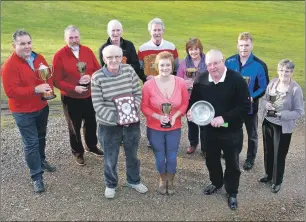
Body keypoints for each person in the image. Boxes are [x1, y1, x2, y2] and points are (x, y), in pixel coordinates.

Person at [187, 49, 250, 210]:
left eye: (216, 63)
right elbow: (194, 102)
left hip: (231, 130)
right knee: (211, 159)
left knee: (232, 163)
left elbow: (245, 106)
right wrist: (190, 113)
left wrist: (224, 118)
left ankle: (232, 191)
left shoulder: (236, 80)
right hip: (209, 131)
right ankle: (216, 182)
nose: (213, 67)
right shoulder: (201, 80)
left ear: (223, 61)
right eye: (209, 64)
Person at [2, 29, 56, 193]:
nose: (27, 46)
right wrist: (36, 89)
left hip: (41, 107)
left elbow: (48, 77)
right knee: (31, 143)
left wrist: (48, 91)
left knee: (41, 137)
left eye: (29, 43)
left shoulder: (38, 57)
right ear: (14, 45)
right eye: (22, 44)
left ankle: (41, 160)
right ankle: (36, 177)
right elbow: (11, 92)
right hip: (23, 112)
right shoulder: (9, 66)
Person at [91, 45, 148, 199]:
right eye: (110, 57)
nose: (114, 60)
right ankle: (110, 184)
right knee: (110, 157)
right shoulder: (97, 77)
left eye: (117, 56)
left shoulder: (129, 70)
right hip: (109, 126)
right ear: (104, 59)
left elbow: (137, 93)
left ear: (121, 57)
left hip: (131, 124)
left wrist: (131, 111)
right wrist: (119, 118)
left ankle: (133, 180)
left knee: (133, 155)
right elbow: (98, 105)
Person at [52, 25, 104, 166]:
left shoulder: (87, 51)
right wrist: (74, 88)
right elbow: (56, 80)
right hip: (71, 98)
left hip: (89, 95)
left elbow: (98, 70)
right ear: (65, 39)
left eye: (76, 37)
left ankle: (91, 146)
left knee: (91, 122)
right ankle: (78, 152)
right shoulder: (59, 55)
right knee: (74, 126)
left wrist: (90, 77)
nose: (74, 40)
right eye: (71, 38)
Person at [141, 51, 189, 195]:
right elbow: (144, 107)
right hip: (154, 127)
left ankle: (171, 180)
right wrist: (157, 116)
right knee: (160, 156)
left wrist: (175, 116)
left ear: (172, 65)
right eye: (162, 65)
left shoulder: (180, 82)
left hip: (175, 126)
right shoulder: (148, 85)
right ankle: (162, 179)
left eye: (168, 65)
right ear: (157, 66)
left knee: (172, 156)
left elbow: (185, 103)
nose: (165, 68)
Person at [259, 59, 304, 193]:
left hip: (282, 127)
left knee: (279, 154)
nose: (284, 73)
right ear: (278, 71)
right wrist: (266, 104)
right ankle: (268, 175)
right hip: (268, 122)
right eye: (282, 70)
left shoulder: (295, 89)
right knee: (268, 150)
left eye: (287, 71)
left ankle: (277, 181)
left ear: (291, 72)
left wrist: (281, 114)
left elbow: (299, 111)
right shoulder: (273, 83)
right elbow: (266, 98)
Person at [225, 32, 269, 170]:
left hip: (250, 106)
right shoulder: (229, 61)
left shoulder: (260, 65)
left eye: (247, 45)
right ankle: (231, 152)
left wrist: (253, 97)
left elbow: (264, 86)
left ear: (252, 45)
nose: (244, 48)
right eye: (241, 45)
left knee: (252, 133)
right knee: (230, 129)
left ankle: (250, 158)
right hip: (232, 106)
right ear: (237, 45)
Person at [138, 17, 179, 148]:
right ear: (150, 31)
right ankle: (152, 138)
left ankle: (167, 134)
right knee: (151, 111)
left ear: (163, 31)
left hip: (167, 85)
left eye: (159, 30)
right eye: (154, 30)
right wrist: (145, 78)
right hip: (151, 86)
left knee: (167, 109)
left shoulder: (170, 46)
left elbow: (176, 67)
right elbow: (139, 68)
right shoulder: (143, 48)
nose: (157, 32)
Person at [177, 37, 207, 155]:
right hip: (189, 97)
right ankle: (193, 143)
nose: (193, 52)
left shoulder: (207, 61)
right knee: (192, 121)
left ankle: (205, 148)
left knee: (205, 122)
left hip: (205, 97)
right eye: (191, 49)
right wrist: (185, 84)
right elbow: (179, 80)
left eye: (196, 49)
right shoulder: (184, 63)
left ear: (200, 49)